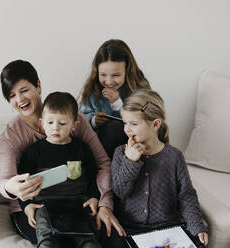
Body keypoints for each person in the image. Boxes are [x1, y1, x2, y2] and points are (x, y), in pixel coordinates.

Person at [0, 59, 125, 245]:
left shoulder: (72, 117)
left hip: (75, 202)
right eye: (12, 95)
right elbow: (4, 181)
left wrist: (103, 202)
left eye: (24, 90)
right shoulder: (9, 137)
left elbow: (102, 163)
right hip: (35, 207)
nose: (20, 99)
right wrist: (12, 188)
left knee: (107, 237)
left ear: (38, 86)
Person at [109, 89, 208, 247]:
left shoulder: (174, 156)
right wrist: (130, 161)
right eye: (125, 123)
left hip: (168, 227)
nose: (127, 129)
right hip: (130, 229)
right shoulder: (120, 153)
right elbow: (120, 192)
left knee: (199, 242)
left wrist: (196, 226)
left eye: (133, 124)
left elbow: (186, 195)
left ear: (155, 124)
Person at [18, 92, 101, 248]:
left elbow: (94, 176)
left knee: (89, 241)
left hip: (78, 203)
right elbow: (22, 183)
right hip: (45, 204)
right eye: (50, 122)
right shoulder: (34, 152)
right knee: (46, 240)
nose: (55, 127)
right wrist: (27, 205)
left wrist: (95, 197)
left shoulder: (82, 149)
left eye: (62, 123)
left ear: (74, 125)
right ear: (42, 123)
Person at [79, 39, 151, 159]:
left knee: (114, 128)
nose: (108, 81)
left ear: (127, 71)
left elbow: (144, 120)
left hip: (130, 146)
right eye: (103, 75)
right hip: (98, 147)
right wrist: (94, 121)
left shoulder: (139, 89)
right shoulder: (93, 90)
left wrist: (117, 104)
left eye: (116, 75)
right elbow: (80, 118)